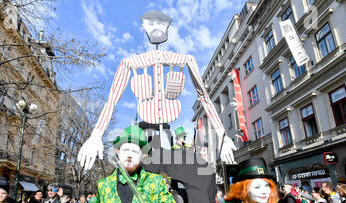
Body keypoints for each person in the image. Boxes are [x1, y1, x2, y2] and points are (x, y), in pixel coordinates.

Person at [77, 9, 237, 172]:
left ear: (167, 26)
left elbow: (204, 96)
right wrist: (96, 134)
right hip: (148, 138)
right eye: (150, 23)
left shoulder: (186, 60)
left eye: (161, 23)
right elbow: (112, 99)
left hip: (167, 135)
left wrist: (222, 135)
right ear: (144, 26)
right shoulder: (130, 62)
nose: (156, 27)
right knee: (144, 173)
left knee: (201, 175)